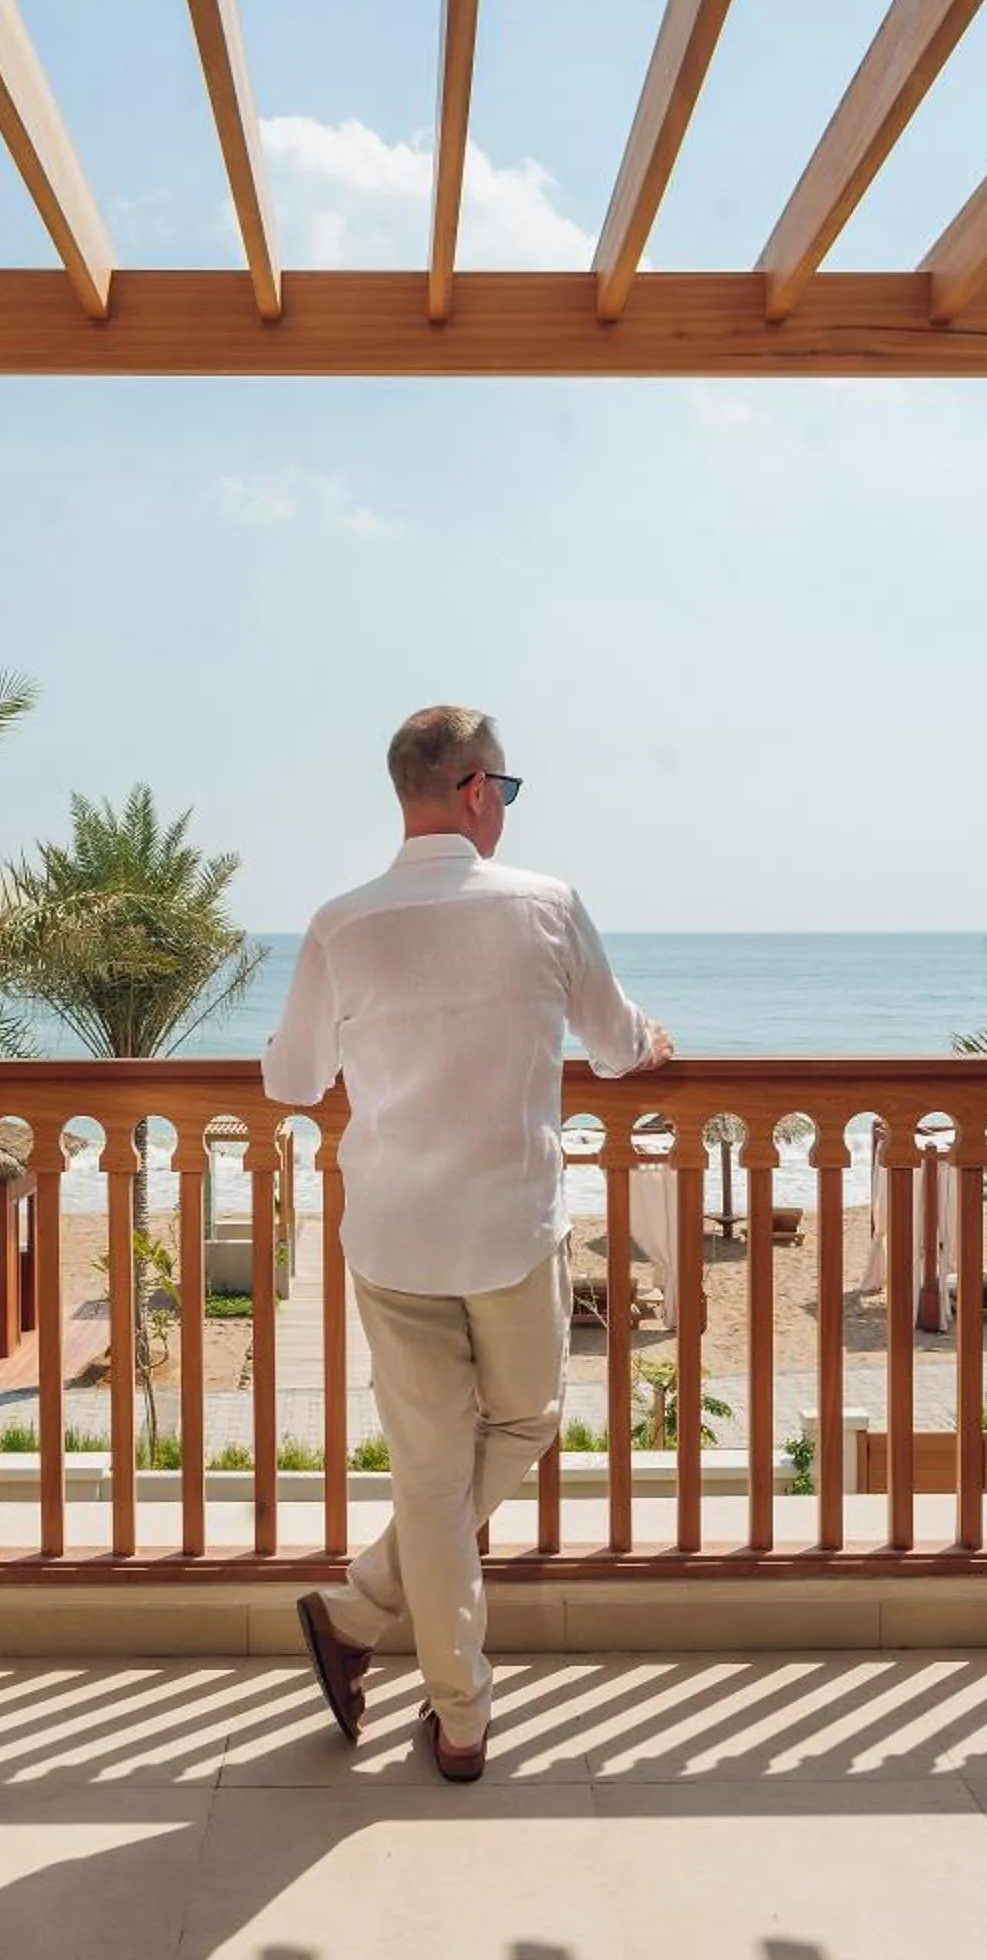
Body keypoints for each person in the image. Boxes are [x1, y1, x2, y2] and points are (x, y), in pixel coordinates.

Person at [264, 705, 671, 1782]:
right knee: (525, 1420)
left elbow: (292, 1080)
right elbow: (615, 1042)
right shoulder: (547, 904)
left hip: (394, 1235)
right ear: (478, 791)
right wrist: (651, 1042)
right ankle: (443, 1701)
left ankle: (383, 1638)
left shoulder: (341, 924)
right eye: (509, 789)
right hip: (511, 1229)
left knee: (435, 1475)